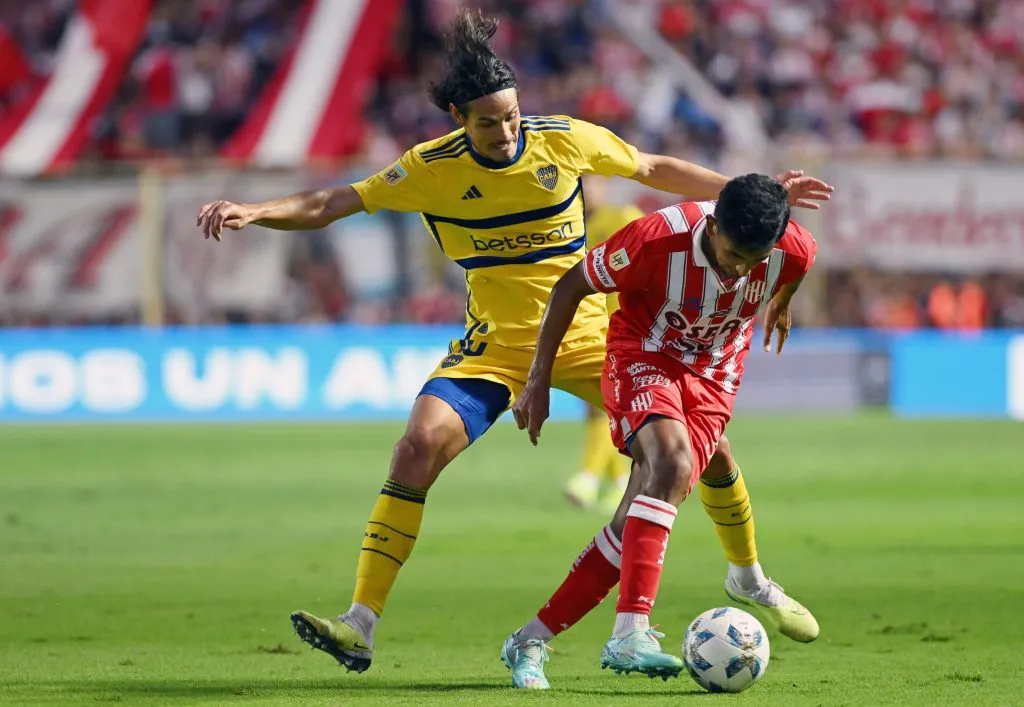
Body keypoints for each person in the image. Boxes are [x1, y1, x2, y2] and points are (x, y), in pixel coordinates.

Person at [194, 10, 831, 675]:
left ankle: (747, 575)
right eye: (488, 122)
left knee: (705, 455)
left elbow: (652, 165)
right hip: (494, 347)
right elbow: (334, 202)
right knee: (415, 448)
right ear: (456, 119)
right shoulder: (428, 170)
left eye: (512, 116)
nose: (506, 132)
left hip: (589, 336)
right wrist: (255, 211)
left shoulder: (562, 141)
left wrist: (751, 195)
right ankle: (360, 623)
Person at [506, 175, 819, 688]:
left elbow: (801, 262)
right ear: (713, 224)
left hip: (715, 372)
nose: (739, 268)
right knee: (671, 465)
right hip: (643, 354)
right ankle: (631, 631)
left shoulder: (790, 248)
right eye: (732, 253)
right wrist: (540, 379)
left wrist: (781, 302)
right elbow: (571, 285)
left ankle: (530, 638)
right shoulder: (653, 239)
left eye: (752, 260)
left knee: (636, 516)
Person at [566, 176, 643, 515]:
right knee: (604, 406)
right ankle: (617, 485)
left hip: (625, 328)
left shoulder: (623, 218)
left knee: (607, 405)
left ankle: (588, 477)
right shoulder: (571, 229)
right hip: (591, 327)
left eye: (591, 183)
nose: (586, 190)